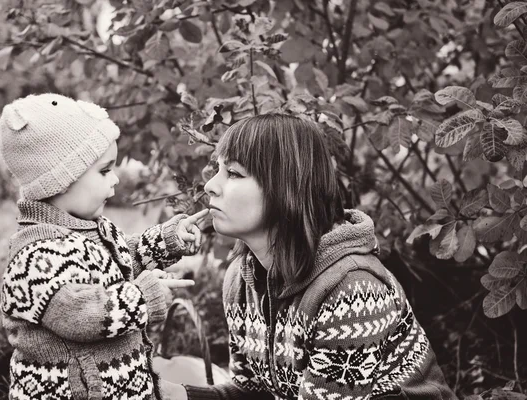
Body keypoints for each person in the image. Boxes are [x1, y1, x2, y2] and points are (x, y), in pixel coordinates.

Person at [161, 113, 457, 400]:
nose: (211, 185)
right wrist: (180, 395)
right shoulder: (240, 281)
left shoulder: (351, 291)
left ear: (286, 188)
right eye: (218, 170)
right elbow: (254, 393)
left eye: (234, 173)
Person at [0, 93, 208, 400]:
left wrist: (165, 240)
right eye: (105, 170)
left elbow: (119, 266)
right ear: (61, 180)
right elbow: (82, 315)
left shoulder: (94, 229)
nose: (116, 180)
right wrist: (143, 297)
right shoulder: (36, 255)